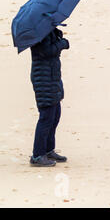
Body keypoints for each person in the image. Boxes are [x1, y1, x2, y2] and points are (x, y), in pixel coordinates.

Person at [29, 27, 69, 166]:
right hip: (43, 79)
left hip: (51, 77)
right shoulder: (38, 33)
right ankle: (37, 156)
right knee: (47, 117)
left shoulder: (47, 30)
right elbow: (46, 51)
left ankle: (48, 150)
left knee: (55, 115)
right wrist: (62, 44)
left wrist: (57, 34)